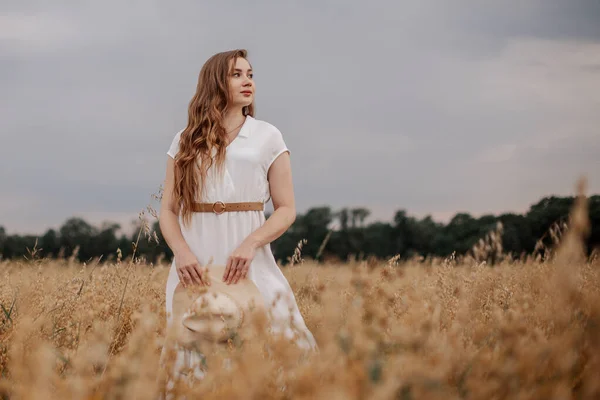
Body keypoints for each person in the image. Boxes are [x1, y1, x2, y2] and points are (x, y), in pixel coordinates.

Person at [158, 49, 317, 382]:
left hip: (249, 258)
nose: (248, 81)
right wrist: (182, 253)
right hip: (195, 263)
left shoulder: (267, 136)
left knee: (279, 340)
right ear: (215, 82)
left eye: (251, 74)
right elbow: (169, 211)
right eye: (237, 74)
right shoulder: (185, 141)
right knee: (195, 353)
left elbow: (286, 208)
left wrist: (250, 243)